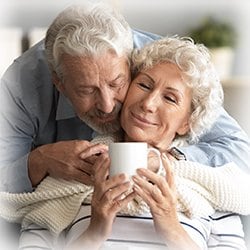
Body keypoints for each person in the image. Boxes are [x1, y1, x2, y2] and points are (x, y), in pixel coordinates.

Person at [2, 36, 249, 250]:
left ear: (187, 123)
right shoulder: (70, 175)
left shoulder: (215, 188)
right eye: (143, 85)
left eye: (170, 98)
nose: (148, 103)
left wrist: (171, 227)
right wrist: (95, 231)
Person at [0, 3, 249, 197]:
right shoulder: (21, 85)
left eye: (116, 83)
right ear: (60, 83)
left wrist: (169, 159)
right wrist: (39, 161)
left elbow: (240, 153)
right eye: (87, 90)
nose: (107, 105)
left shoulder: (158, 62)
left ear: (131, 62)